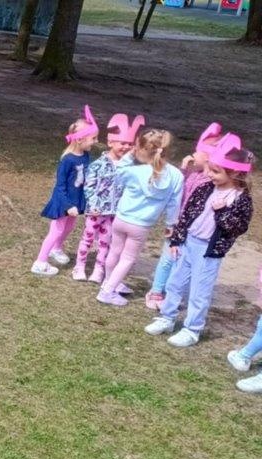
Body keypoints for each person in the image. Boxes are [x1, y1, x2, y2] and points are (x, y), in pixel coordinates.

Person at [145, 134, 253, 347]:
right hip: (187, 243)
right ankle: (166, 318)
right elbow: (187, 215)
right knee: (175, 283)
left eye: (215, 171)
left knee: (199, 292)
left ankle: (192, 330)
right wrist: (177, 241)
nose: (209, 174)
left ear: (234, 173)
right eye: (209, 169)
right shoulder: (205, 188)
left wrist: (222, 212)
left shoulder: (241, 199)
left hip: (208, 252)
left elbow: (238, 227)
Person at [96, 128, 184, 306]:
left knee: (115, 252)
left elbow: (119, 170)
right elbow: (174, 203)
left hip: (121, 219)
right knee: (127, 258)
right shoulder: (176, 176)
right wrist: (171, 224)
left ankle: (109, 282)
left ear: (141, 149)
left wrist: (130, 154)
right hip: (141, 225)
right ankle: (107, 291)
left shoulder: (134, 171)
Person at [145, 123, 222, 309]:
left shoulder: (212, 181)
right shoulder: (192, 173)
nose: (193, 155)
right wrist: (184, 169)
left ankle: (172, 294)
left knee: (182, 261)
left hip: (194, 228)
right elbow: (177, 189)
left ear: (208, 158)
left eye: (198, 152)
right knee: (168, 258)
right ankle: (156, 291)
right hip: (178, 223)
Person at [73, 113, 142, 282]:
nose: (126, 147)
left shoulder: (130, 167)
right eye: (122, 143)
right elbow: (89, 186)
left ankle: (99, 269)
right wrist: (94, 204)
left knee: (106, 242)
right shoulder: (98, 165)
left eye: (130, 144)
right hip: (96, 212)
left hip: (114, 213)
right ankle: (79, 266)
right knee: (88, 238)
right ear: (111, 143)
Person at [32, 105, 95, 277]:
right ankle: (40, 262)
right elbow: (59, 186)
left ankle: (56, 249)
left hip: (75, 201)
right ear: (80, 140)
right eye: (93, 138)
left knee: (69, 227)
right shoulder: (67, 160)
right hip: (63, 202)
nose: (95, 141)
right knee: (56, 230)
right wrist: (67, 205)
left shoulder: (86, 155)